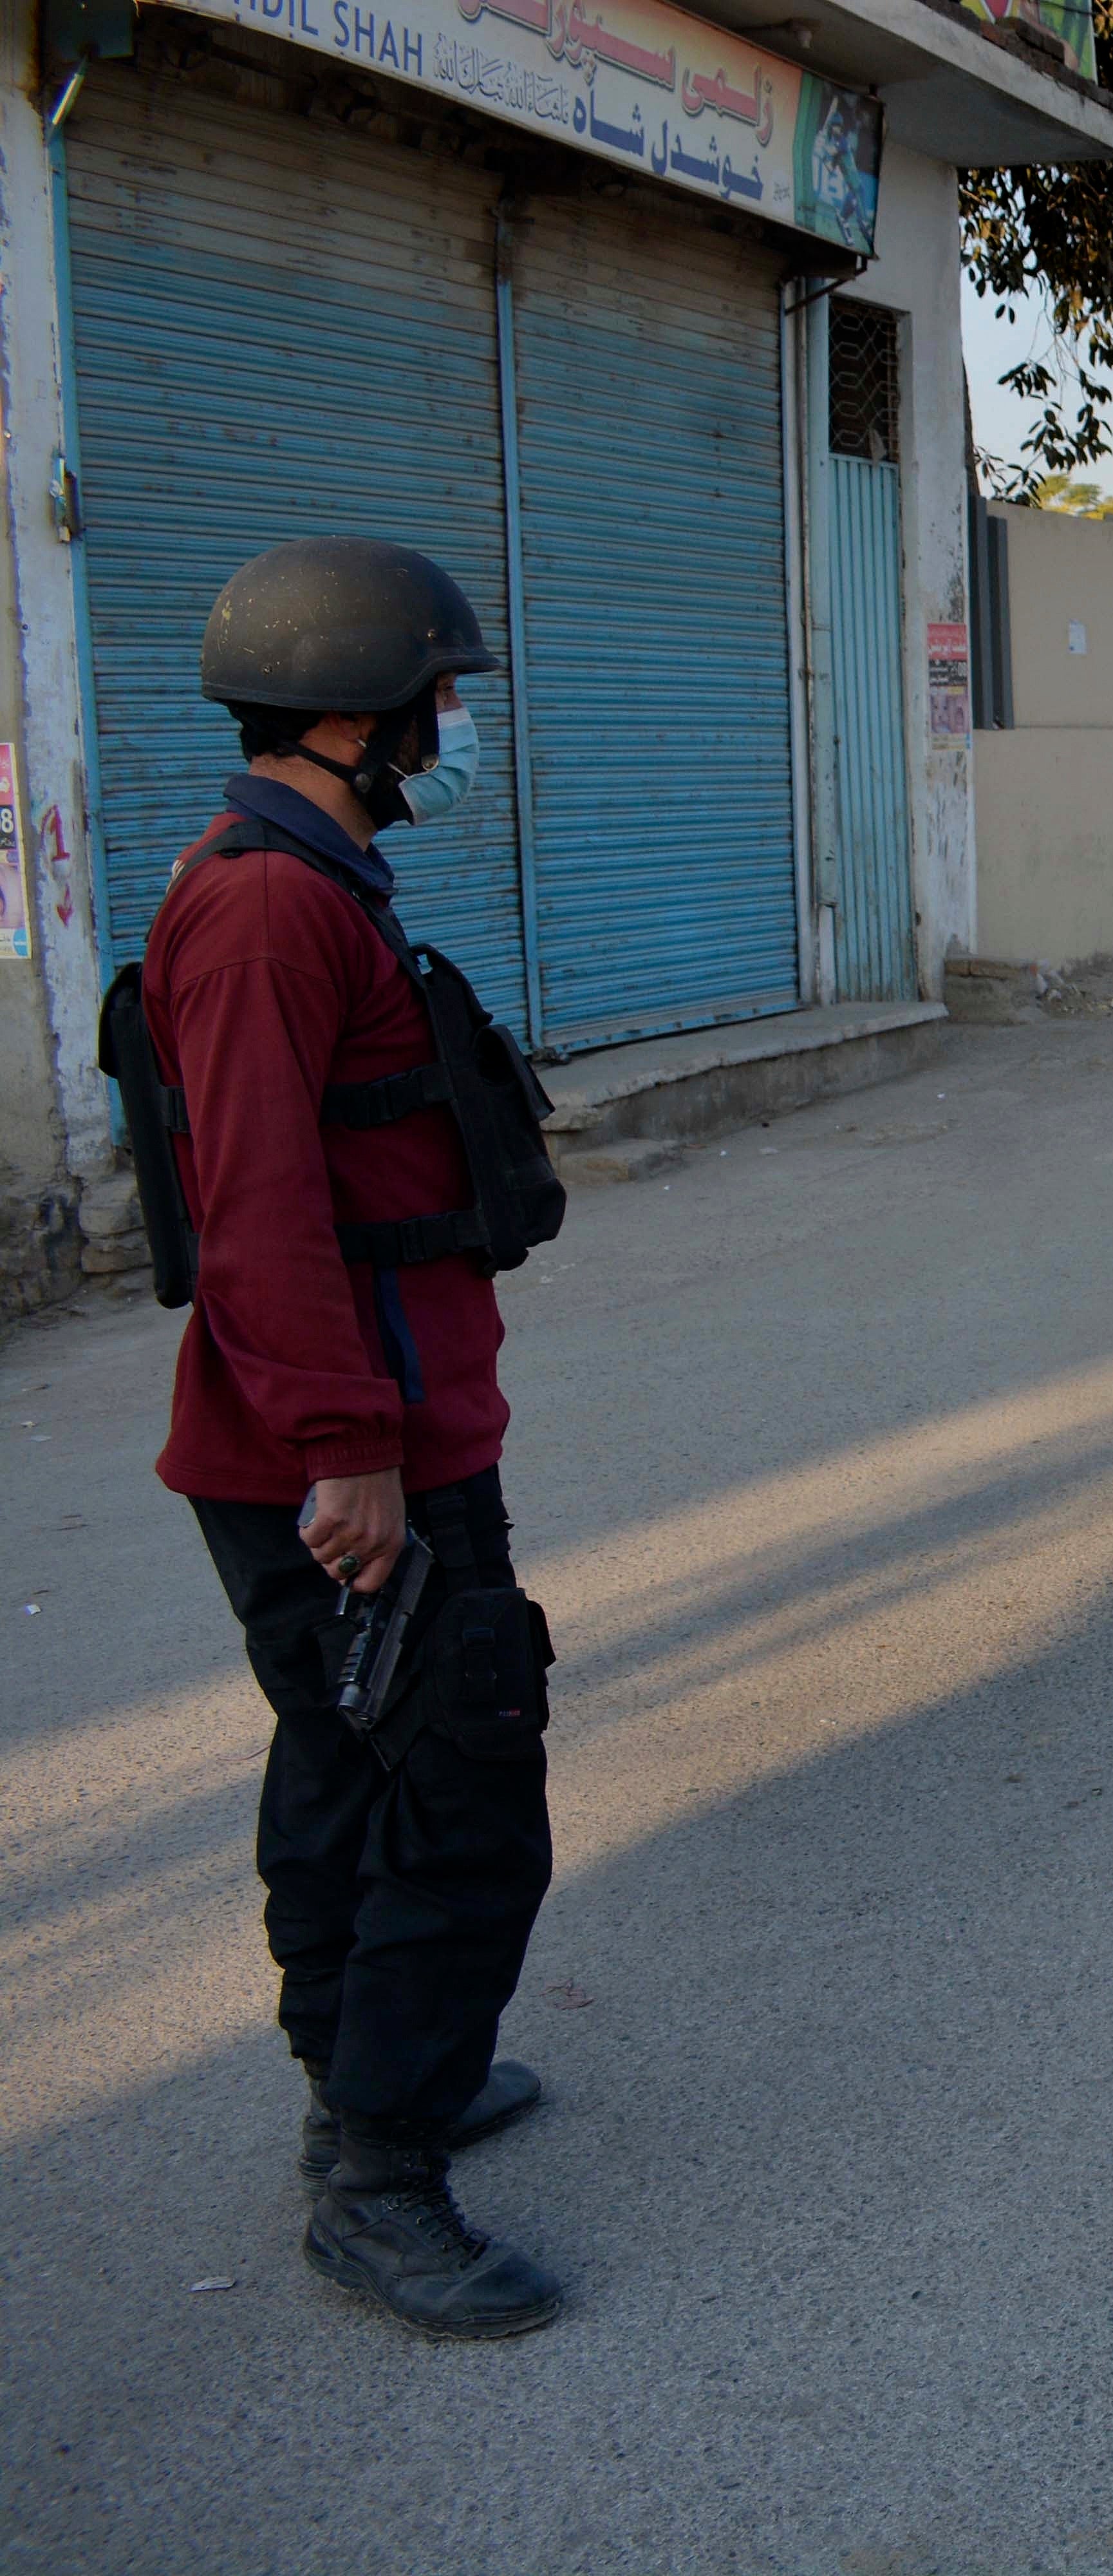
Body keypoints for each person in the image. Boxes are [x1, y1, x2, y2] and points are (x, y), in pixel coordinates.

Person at [121, 537, 571, 2340]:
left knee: (345, 1766)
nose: (447, 727)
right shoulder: (264, 908)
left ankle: (375, 2080)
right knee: (461, 1802)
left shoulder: (312, 877)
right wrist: (351, 1450)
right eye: (432, 698)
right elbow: (259, 1212)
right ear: (346, 709)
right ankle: (378, 2177)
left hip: (369, 1427)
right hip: (349, 1455)